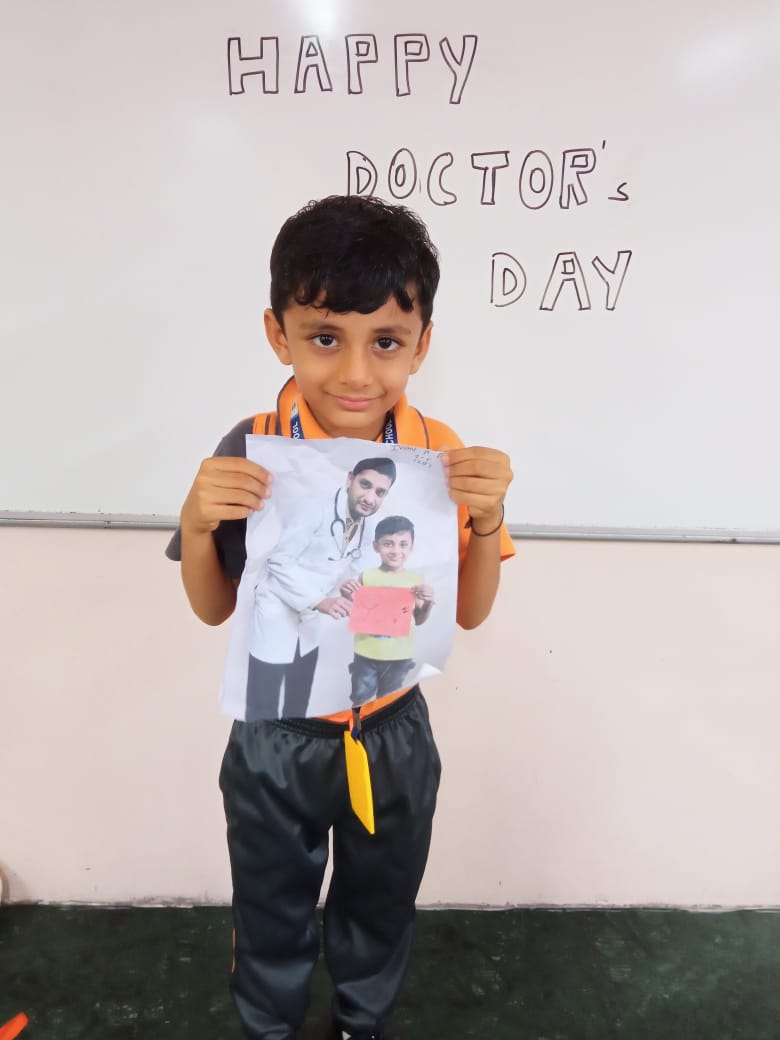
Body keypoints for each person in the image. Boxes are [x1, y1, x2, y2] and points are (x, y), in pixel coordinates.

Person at [166, 194, 515, 1040]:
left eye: (386, 341)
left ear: (421, 344)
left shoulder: (438, 454)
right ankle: (269, 1027)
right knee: (269, 907)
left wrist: (489, 520)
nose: (356, 373)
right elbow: (213, 610)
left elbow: (468, 615)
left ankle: (362, 1024)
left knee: (380, 902)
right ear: (277, 333)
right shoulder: (253, 446)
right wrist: (196, 522)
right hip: (275, 729)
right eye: (325, 337)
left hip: (389, 726)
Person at [246, 456, 397, 719]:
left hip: (311, 620)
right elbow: (279, 561)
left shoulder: (370, 527)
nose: (370, 498)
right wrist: (320, 601)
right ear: (350, 479)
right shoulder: (314, 508)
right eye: (365, 485)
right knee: (263, 707)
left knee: (300, 705)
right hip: (277, 608)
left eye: (380, 492)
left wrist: (351, 588)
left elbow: (351, 568)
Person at [341, 515, 434, 708]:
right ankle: (358, 727)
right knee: (360, 700)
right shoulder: (367, 576)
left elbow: (418, 620)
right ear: (376, 546)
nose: (396, 551)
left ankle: (383, 729)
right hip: (366, 652)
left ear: (411, 547)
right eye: (388, 544)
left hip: (399, 656)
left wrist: (428, 604)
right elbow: (356, 613)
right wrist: (347, 594)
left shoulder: (415, 580)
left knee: (389, 704)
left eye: (403, 544)